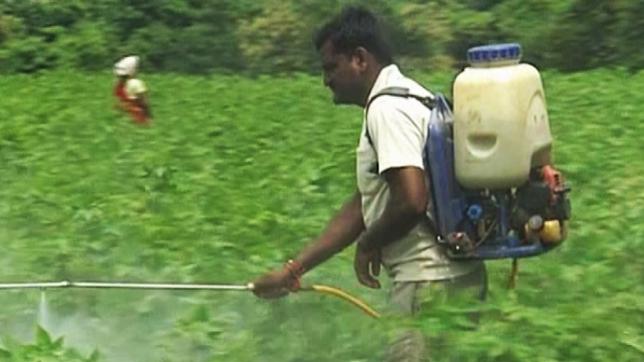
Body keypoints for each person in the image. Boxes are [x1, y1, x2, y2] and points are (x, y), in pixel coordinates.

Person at [252, 6, 487, 360]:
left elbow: (410, 200)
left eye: (331, 67)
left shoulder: (386, 109)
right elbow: (366, 203)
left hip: (425, 283)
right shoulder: (416, 96)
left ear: (360, 59)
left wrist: (368, 244)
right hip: (463, 276)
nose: (326, 79)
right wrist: (293, 270)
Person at [113, 55, 152, 125]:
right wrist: (149, 117)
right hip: (138, 118)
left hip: (124, 118)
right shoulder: (136, 83)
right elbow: (144, 102)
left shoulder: (118, 84)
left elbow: (117, 102)